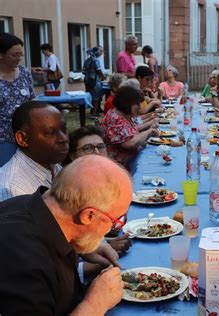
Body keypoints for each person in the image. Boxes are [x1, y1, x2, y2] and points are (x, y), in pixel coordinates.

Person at [0, 155, 132, 315]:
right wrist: (95, 304)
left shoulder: (32, 206)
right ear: (89, 216)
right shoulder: (24, 262)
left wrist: (80, 245)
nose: (113, 226)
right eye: (116, 220)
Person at [67, 125, 132, 256]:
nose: (96, 152)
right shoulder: (70, 189)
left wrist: (106, 242)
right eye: (88, 148)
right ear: (73, 156)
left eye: (100, 147)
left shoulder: (107, 177)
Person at [0, 101, 67, 201]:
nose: (64, 138)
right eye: (50, 133)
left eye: (64, 130)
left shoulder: (53, 165)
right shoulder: (13, 189)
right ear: (22, 139)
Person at [101, 85, 158, 169]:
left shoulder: (122, 115)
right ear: (127, 103)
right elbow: (130, 143)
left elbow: (131, 131)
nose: (139, 107)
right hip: (119, 168)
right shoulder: (114, 119)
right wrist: (149, 132)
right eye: (137, 104)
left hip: (131, 161)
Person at [0, 33, 35, 166]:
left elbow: (32, 100)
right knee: (6, 177)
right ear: (1, 55)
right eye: (15, 55)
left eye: (21, 54)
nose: (19, 58)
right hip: (3, 139)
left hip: (27, 136)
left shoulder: (24, 73)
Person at [83, 47, 105, 118]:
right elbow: (98, 70)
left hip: (87, 80)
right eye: (99, 51)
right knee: (96, 97)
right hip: (95, 80)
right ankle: (94, 114)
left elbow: (83, 71)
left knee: (90, 96)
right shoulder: (96, 60)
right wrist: (103, 76)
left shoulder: (86, 61)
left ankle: (92, 111)